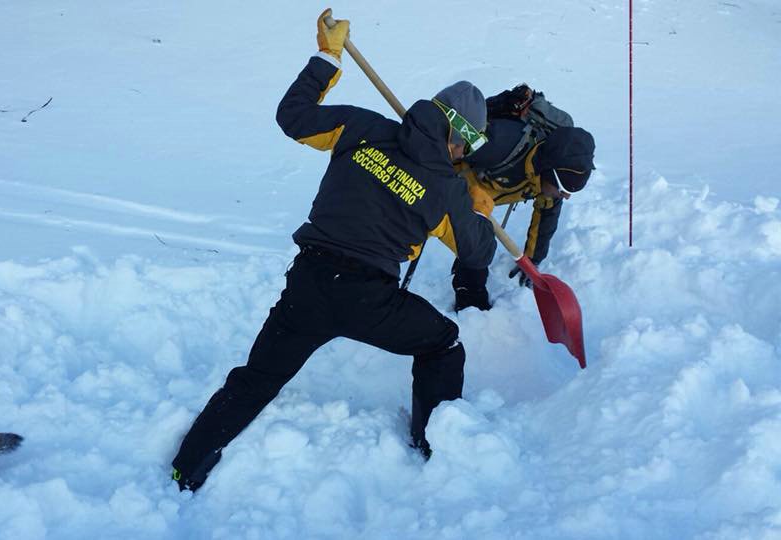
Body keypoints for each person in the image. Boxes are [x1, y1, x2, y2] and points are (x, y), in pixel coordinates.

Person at [169, 8, 497, 492]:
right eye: (467, 143)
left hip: (308, 282)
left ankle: (186, 467)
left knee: (256, 378)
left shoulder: (360, 127)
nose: (464, 155)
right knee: (443, 341)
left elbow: (293, 117)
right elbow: (476, 254)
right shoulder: (447, 190)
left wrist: (326, 58)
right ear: (455, 133)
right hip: (370, 301)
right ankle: (434, 446)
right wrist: (481, 212)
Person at [451, 85, 596, 311]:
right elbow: (451, 138)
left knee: (480, 239)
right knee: (480, 239)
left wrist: (532, 261)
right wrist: (464, 187)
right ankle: (471, 302)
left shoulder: (548, 187)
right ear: (548, 170)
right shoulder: (498, 143)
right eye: (563, 188)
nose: (565, 196)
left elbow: (545, 221)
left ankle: (469, 297)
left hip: (489, 189)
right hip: (457, 180)